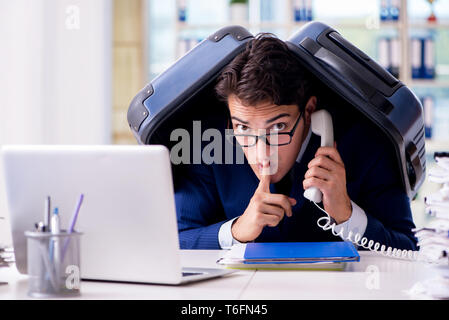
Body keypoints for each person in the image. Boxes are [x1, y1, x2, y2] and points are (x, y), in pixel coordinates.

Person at [174, 33, 417, 250]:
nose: (262, 154)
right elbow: (175, 239)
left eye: (278, 127)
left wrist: (346, 215)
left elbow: (407, 249)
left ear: (309, 111)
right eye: (243, 128)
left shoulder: (366, 143)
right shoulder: (208, 143)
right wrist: (237, 231)